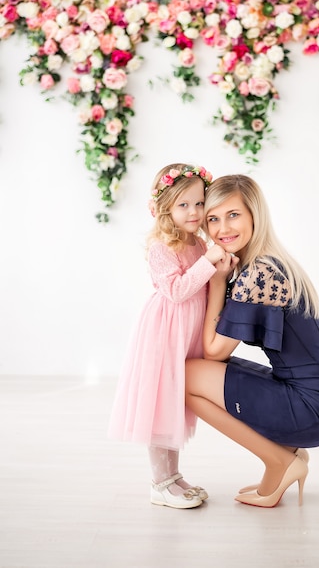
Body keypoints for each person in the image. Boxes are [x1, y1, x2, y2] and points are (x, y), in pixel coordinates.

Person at [185, 174, 319, 508]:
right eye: (213, 219)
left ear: (254, 215)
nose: (222, 228)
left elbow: (214, 352)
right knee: (192, 373)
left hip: (317, 406)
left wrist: (218, 282)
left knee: (187, 377)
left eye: (233, 215)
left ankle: (279, 461)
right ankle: (284, 454)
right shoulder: (263, 261)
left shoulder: (257, 273)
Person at [108, 163, 227, 509]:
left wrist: (218, 265)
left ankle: (172, 475)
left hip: (186, 334)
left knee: (176, 402)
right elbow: (176, 290)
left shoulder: (197, 242)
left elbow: (205, 284)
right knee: (161, 404)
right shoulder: (163, 244)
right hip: (164, 332)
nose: (194, 212)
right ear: (166, 209)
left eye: (199, 203)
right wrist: (209, 262)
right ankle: (159, 482)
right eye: (183, 205)